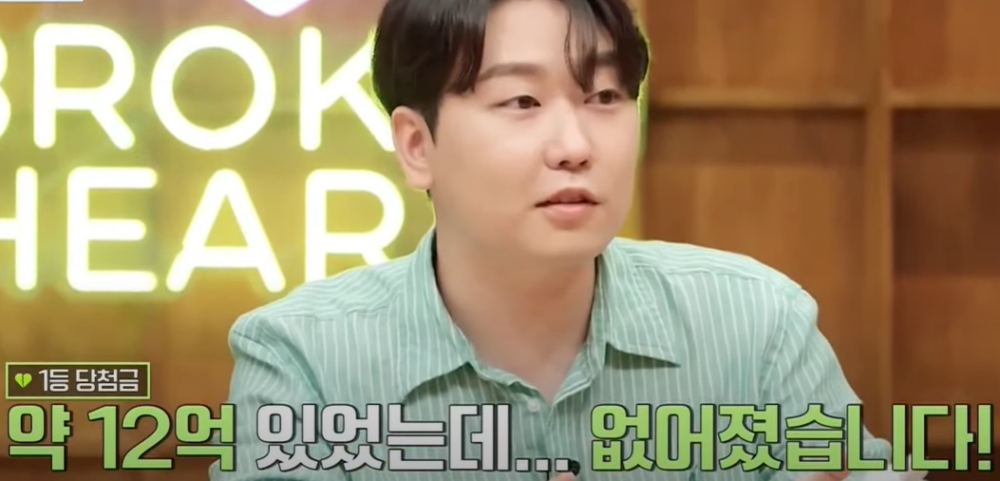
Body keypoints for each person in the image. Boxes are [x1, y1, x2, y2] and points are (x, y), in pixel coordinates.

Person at [210, 0, 893, 479]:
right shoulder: (304, 363)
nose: (575, 145)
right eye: (522, 102)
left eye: (605, 97)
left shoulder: (756, 325)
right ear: (417, 145)